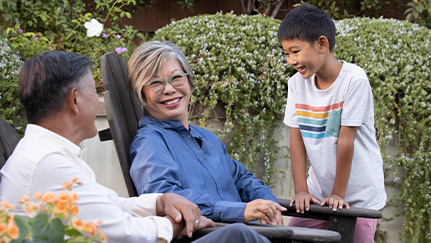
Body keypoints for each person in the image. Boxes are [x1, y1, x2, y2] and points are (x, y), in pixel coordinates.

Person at [0, 51, 270, 243]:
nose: (98, 101)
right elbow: (121, 231)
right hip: (196, 233)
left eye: (177, 78)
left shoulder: (53, 155)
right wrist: (171, 223)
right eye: (95, 91)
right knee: (240, 236)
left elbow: (112, 205)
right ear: (75, 100)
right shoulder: (48, 162)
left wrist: (160, 202)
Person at [128, 41, 286, 225]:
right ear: (142, 94)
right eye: (155, 83)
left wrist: (269, 205)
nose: (170, 89)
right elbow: (169, 200)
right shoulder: (149, 143)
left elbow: (242, 179)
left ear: (189, 81)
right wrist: (239, 211)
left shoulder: (207, 138)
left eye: (177, 78)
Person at [278, 3, 387, 242]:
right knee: (291, 236)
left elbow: (346, 140)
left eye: (295, 51)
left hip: (358, 196)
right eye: (286, 53)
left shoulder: (353, 80)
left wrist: (339, 193)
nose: (291, 60)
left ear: (322, 44)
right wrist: (301, 191)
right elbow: (296, 139)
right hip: (318, 193)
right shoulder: (297, 84)